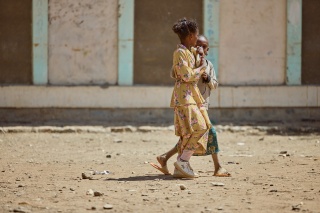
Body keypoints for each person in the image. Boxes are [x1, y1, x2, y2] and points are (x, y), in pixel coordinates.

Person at [150, 35, 231, 177]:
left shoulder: (208, 65)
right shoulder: (188, 59)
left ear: (207, 49)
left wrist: (207, 78)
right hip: (189, 104)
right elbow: (177, 74)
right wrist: (196, 69)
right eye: (197, 45)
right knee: (206, 131)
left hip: (202, 104)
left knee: (190, 134)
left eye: (203, 47)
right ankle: (215, 166)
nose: (200, 49)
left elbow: (215, 84)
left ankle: (170, 159)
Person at [152, 18, 210, 179]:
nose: (197, 38)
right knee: (201, 126)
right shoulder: (179, 53)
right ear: (191, 35)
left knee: (189, 132)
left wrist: (200, 58)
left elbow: (196, 67)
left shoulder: (189, 52)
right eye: (196, 34)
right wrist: (201, 69)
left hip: (191, 95)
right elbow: (187, 75)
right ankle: (183, 160)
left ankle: (180, 165)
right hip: (184, 97)